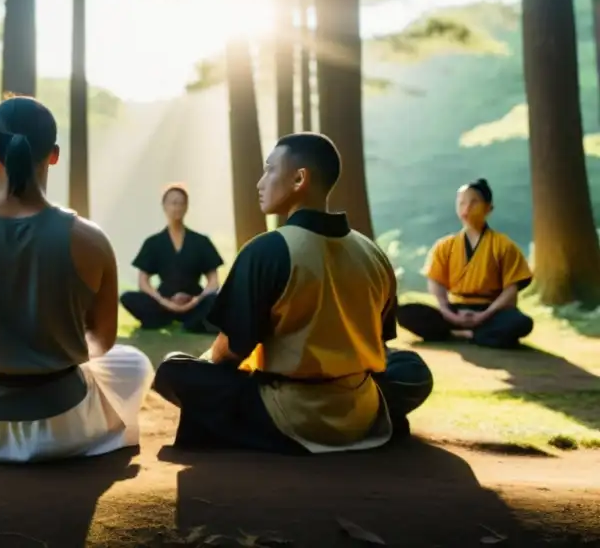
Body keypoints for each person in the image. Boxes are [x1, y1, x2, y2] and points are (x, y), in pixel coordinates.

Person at [153, 133, 434, 454]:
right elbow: (380, 350)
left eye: (269, 170)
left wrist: (202, 365)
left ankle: (256, 432)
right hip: (359, 409)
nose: (260, 183)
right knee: (409, 369)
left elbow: (230, 352)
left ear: (299, 178)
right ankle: (366, 425)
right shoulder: (372, 252)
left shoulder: (267, 249)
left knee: (174, 369)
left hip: (287, 414)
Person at [0, 96, 154, 466]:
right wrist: (52, 351)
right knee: (134, 362)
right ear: (54, 155)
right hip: (65, 424)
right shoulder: (91, 239)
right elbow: (102, 341)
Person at [397, 179, 534, 349]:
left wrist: (484, 315)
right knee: (405, 313)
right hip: (455, 310)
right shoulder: (444, 246)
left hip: (491, 311)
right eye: (461, 203)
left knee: (520, 323)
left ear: (488, 208)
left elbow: (511, 290)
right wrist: (447, 311)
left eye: (474, 202)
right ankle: (471, 333)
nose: (466, 208)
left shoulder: (504, 245)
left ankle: (460, 333)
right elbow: (436, 282)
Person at [120, 184, 224, 333]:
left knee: (216, 299)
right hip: (163, 301)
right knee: (127, 297)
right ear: (164, 206)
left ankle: (192, 320)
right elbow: (143, 282)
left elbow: (213, 282)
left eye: (181, 203)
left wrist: (195, 300)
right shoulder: (153, 242)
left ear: (187, 206)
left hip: (194, 300)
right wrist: (164, 301)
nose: (177, 208)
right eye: (173, 203)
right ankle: (172, 319)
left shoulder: (201, 241)